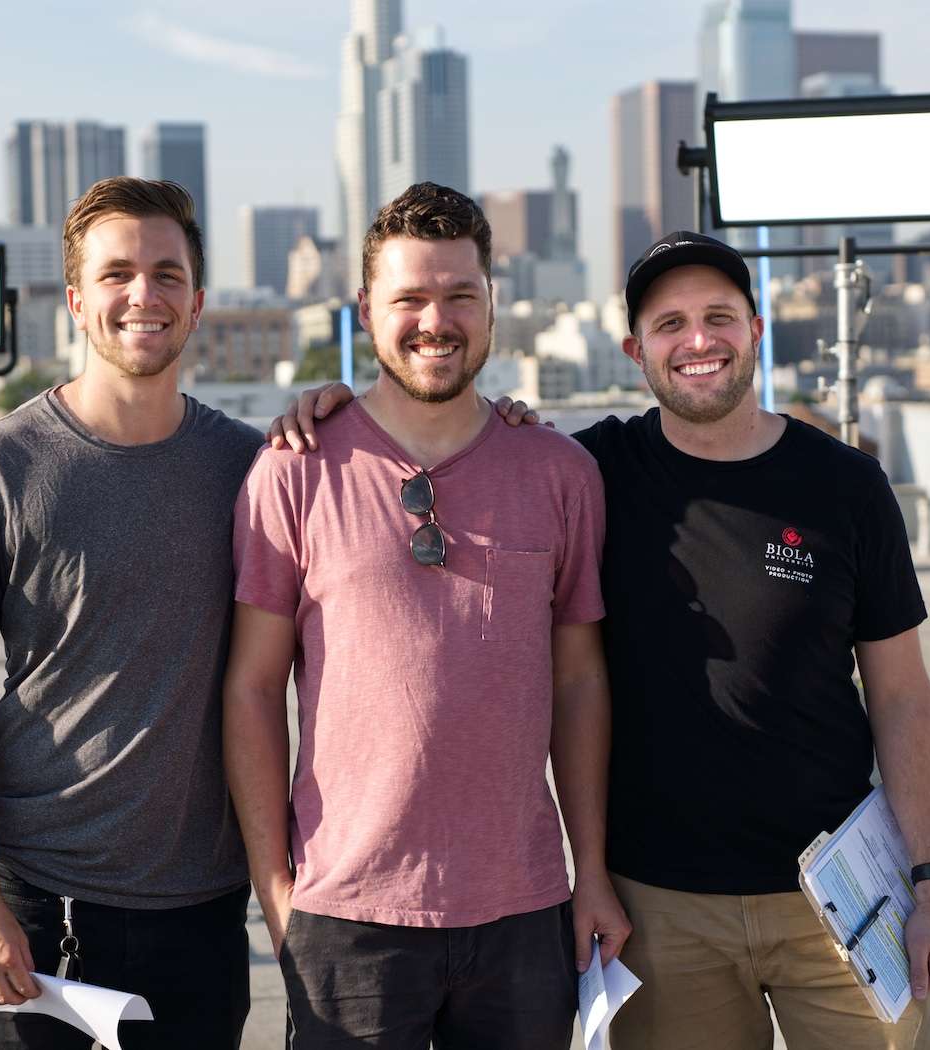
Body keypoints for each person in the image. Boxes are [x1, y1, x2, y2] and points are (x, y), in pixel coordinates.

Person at [271, 230, 930, 1050]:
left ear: (757, 330)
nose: (697, 340)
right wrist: (334, 403)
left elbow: (902, 696)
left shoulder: (846, 486)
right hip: (660, 909)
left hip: (842, 895)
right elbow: (484, 446)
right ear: (637, 349)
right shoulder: (593, 472)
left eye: (719, 317)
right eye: (669, 324)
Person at [224, 181, 629, 1050]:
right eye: (408, 298)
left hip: (523, 908)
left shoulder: (560, 473)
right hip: (346, 914)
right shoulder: (294, 469)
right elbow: (253, 689)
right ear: (366, 309)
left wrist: (589, 871)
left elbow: (581, 681)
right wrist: (275, 889)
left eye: (459, 295)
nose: (434, 321)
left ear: (493, 305)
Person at [0, 177, 261, 1050]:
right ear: (76, 300)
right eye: (116, 275)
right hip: (34, 906)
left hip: (201, 915)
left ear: (197, 301)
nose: (142, 295)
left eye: (166, 274)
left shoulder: (251, 467)